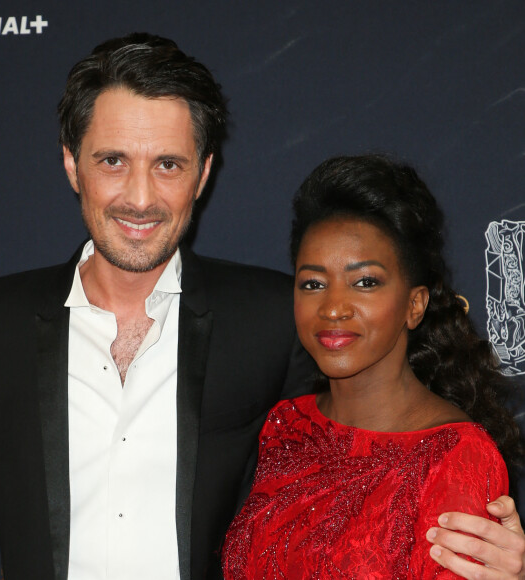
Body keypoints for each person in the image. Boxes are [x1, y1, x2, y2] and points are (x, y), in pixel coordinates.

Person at [0, 35, 522, 580]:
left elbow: (382, 443)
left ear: (203, 174)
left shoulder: (270, 319)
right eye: (113, 161)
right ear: (73, 164)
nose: (140, 197)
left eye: (167, 164)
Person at [222, 154, 525, 578]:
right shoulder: (286, 426)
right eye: (313, 283)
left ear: (414, 304)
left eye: (365, 282)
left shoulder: (454, 458)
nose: (333, 308)